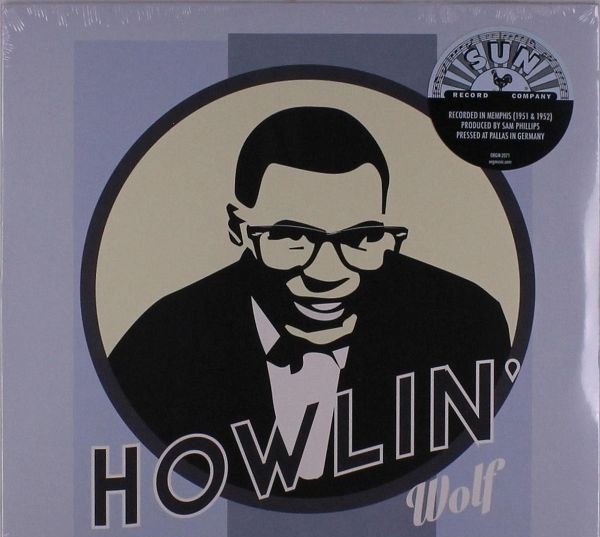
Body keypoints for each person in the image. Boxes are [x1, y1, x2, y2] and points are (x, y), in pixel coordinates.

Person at [109, 106, 510, 503]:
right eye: (293, 238)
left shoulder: (466, 323)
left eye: (360, 238)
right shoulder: (157, 347)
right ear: (239, 228)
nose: (328, 274)